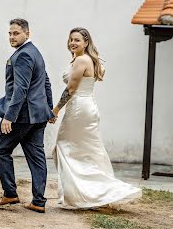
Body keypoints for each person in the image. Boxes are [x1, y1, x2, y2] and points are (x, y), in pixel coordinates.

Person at [52, 27, 141, 209]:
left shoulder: (81, 60)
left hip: (78, 108)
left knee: (65, 146)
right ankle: (87, 193)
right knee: (87, 150)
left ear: (86, 42)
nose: (72, 43)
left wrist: (56, 110)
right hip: (88, 106)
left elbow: (70, 89)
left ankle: (86, 194)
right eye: (71, 39)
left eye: (77, 40)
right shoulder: (90, 60)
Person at [0, 18, 55, 213]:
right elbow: (46, 82)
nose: (12, 37)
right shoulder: (35, 52)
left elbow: (21, 90)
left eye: (16, 33)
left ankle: (10, 193)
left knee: (1, 149)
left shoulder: (23, 55)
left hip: (22, 115)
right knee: (37, 157)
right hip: (38, 115)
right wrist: (49, 109)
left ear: (27, 33)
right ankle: (38, 201)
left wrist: (8, 117)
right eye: (10, 33)